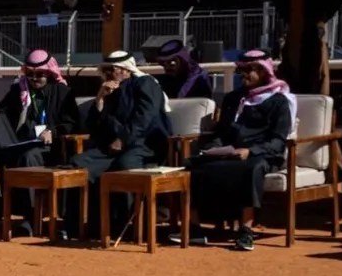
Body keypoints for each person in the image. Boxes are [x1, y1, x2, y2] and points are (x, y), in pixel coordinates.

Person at [177, 49, 295, 251]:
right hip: (230, 153)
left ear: (263, 72)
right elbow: (223, 132)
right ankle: (194, 229)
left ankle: (246, 231)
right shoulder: (233, 98)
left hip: (261, 154)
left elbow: (278, 140)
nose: (243, 75)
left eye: (249, 70)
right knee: (189, 166)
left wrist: (250, 151)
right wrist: (214, 147)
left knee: (251, 169)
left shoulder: (279, 101)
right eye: (241, 70)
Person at [67, 51, 172, 236]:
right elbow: (93, 126)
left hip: (144, 145)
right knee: (78, 163)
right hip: (112, 148)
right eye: (105, 71)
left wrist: (123, 140)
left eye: (111, 70)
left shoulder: (145, 83)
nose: (107, 74)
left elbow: (144, 118)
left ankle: (129, 227)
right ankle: (81, 226)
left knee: (125, 165)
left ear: (125, 70)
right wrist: (100, 99)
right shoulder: (110, 91)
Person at [0, 50, 81, 237]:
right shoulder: (18, 89)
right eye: (30, 74)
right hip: (22, 142)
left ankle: (32, 218)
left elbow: (71, 122)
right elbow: (3, 109)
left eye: (40, 74)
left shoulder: (62, 92)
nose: (34, 79)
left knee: (29, 158)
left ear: (49, 73)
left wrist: (53, 132)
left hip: (50, 147)